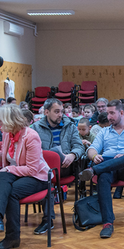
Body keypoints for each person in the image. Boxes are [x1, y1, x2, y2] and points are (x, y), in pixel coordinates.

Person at [0, 105, 52, 249]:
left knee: (11, 191)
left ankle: (11, 237)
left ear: (9, 121)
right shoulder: (7, 134)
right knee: (1, 176)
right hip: (17, 173)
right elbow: (7, 158)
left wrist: (9, 169)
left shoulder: (31, 136)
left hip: (37, 177)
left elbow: (32, 169)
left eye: (0, 120)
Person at [79, 99, 124, 239]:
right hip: (108, 166)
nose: (108, 116)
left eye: (111, 113)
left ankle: (94, 170)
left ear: (121, 113)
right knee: (103, 177)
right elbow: (91, 149)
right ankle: (107, 223)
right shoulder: (104, 132)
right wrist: (94, 156)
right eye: (107, 113)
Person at [31, 98, 86, 234]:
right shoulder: (35, 128)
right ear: (46, 112)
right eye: (56, 112)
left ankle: (48, 220)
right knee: (46, 175)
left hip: (65, 166)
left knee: (48, 172)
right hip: (44, 168)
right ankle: (48, 220)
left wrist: (72, 155)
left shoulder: (70, 126)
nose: (60, 114)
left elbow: (79, 146)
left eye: (61, 111)